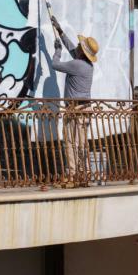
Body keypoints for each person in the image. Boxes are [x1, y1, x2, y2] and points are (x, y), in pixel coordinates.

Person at [50, 16, 99, 187]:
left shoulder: (76, 65)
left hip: (75, 110)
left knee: (70, 143)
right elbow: (72, 48)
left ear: (82, 52)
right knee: (82, 145)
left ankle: (72, 176)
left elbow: (55, 64)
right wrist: (60, 31)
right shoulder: (87, 66)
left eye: (80, 46)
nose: (77, 46)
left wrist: (57, 50)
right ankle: (83, 175)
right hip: (85, 110)